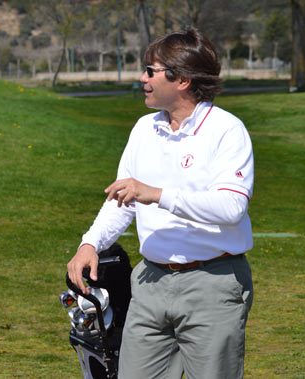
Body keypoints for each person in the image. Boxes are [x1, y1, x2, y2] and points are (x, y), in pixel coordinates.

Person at [67, 27, 254, 379]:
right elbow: (122, 199)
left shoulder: (227, 131)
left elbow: (231, 209)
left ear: (181, 79)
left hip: (212, 284)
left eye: (150, 71)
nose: (142, 78)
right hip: (150, 282)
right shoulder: (143, 129)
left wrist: (156, 194)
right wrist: (91, 243)